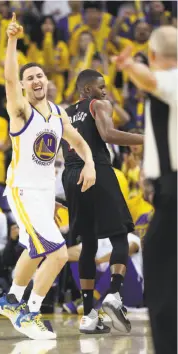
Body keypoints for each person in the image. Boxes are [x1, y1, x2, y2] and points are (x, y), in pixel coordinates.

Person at [0, 13, 96, 340]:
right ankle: (30, 313)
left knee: (36, 249)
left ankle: (11, 298)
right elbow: (8, 79)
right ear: (24, 86)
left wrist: (90, 163)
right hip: (22, 189)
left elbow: (77, 141)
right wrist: (12, 41)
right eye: (30, 77)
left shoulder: (58, 113)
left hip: (42, 192)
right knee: (58, 253)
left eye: (41, 75)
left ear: (47, 81)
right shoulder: (20, 110)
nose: (37, 80)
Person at [62, 68, 143, 334]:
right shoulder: (99, 104)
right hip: (95, 168)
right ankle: (114, 294)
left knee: (88, 244)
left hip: (71, 175)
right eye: (101, 86)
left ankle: (88, 317)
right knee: (121, 235)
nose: (105, 91)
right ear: (87, 90)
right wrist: (146, 139)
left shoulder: (64, 113)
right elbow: (108, 135)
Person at [113, 26, 177, 354]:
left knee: (159, 259)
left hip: (174, 186)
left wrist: (128, 67)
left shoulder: (173, 80)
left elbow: (152, 81)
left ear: (153, 56)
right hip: (167, 187)